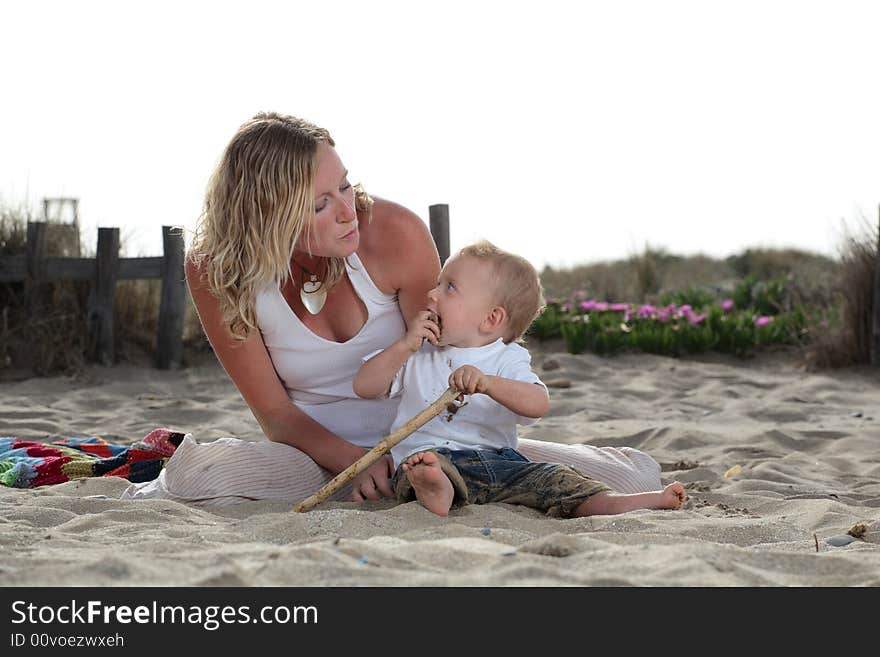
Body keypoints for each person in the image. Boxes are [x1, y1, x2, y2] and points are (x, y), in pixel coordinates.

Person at [123, 111, 663, 506]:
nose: (347, 212)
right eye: (320, 204)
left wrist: (407, 453)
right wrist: (356, 463)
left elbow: (455, 354)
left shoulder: (394, 233)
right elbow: (276, 415)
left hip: (439, 442)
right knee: (194, 477)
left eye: (345, 185)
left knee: (625, 481)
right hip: (316, 454)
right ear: (268, 216)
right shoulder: (218, 269)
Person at [354, 241, 686, 517]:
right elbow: (364, 387)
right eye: (438, 283)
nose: (431, 294)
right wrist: (403, 346)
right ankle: (435, 487)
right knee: (422, 469)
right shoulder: (418, 353)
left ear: (491, 318)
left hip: (499, 464)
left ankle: (619, 503)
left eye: (449, 287)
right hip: (428, 457)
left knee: (555, 479)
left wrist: (488, 384)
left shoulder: (505, 358)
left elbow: (537, 405)